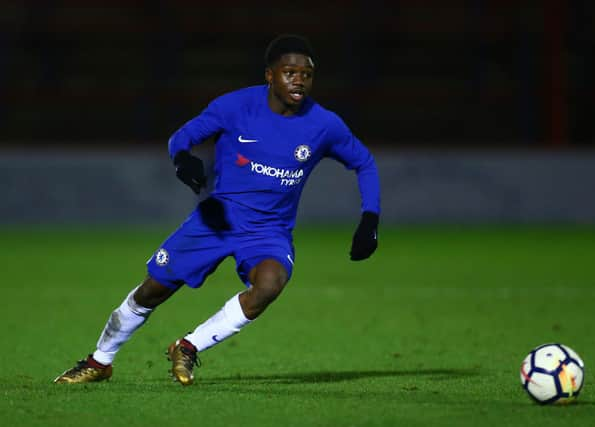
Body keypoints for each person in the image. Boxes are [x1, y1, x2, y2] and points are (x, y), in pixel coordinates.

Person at [54, 34, 380, 386]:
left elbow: (364, 162)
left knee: (270, 284)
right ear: (269, 75)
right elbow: (180, 137)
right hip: (218, 219)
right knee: (153, 290)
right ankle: (99, 361)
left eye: (306, 74)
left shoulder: (324, 124)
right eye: (289, 72)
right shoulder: (234, 107)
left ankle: (188, 346)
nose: (299, 80)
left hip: (269, 231)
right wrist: (183, 160)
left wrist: (369, 219)